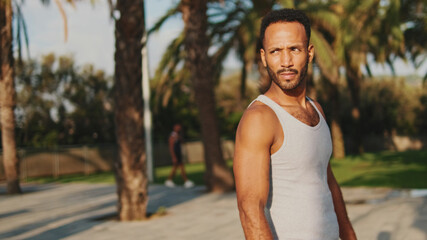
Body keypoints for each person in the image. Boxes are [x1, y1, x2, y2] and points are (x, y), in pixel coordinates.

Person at [233, 8, 357, 240]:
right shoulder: (260, 118)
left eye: (294, 49)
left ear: (309, 53)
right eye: (275, 51)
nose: (286, 62)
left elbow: (327, 180)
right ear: (263, 57)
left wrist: (349, 234)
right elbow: (250, 209)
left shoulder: (316, 110)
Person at [165, 123, 194, 188]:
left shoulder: (177, 136)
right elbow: (171, 146)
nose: (179, 128)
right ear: (174, 127)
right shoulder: (172, 136)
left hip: (178, 153)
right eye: (177, 127)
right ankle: (186, 181)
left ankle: (169, 180)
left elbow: (182, 142)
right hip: (176, 154)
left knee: (176, 168)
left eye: (179, 127)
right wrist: (173, 156)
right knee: (181, 167)